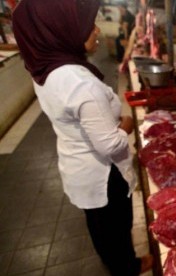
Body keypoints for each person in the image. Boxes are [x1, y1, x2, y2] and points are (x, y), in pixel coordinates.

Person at [12, 1, 152, 275]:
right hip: (102, 172)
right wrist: (126, 125)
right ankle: (127, 267)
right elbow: (109, 143)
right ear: (61, 31)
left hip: (77, 164)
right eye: (88, 26)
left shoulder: (45, 67)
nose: (97, 30)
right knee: (115, 225)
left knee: (98, 224)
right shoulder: (79, 83)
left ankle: (113, 262)